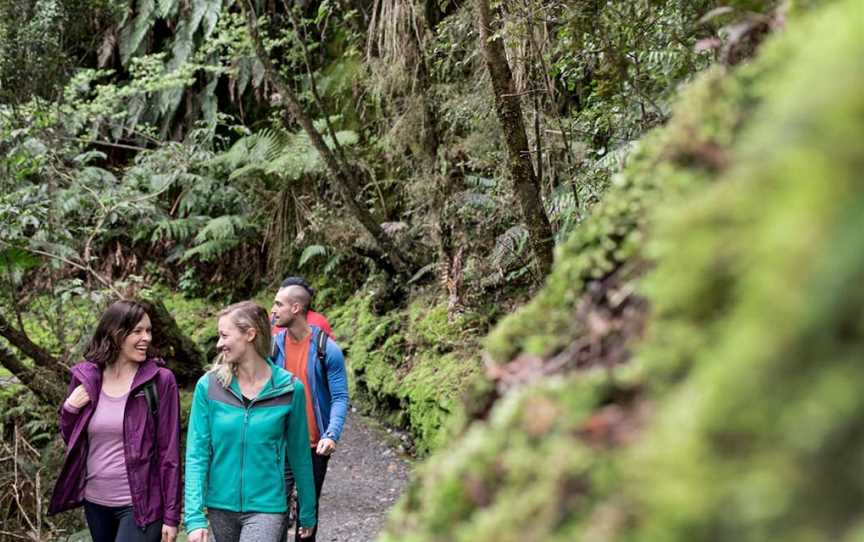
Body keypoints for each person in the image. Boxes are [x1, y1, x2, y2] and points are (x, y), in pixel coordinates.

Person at [48, 300, 181, 542]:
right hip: (95, 502)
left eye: (149, 331)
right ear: (115, 333)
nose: (146, 338)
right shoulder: (87, 378)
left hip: (141, 506)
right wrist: (69, 409)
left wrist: (172, 515)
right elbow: (73, 439)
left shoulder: (160, 380)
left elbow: (169, 453)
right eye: (137, 331)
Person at [185, 301, 317, 542]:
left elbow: (300, 454)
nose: (219, 343)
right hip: (220, 505)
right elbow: (197, 453)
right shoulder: (209, 386)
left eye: (225, 335)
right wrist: (194, 517)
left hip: (267, 506)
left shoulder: (289, 389)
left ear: (250, 334)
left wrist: (308, 509)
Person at [271, 285, 349, 542]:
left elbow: (339, 397)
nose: (273, 310)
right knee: (272, 514)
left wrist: (332, 434)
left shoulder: (327, 349)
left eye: (278, 304)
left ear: (296, 308)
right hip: (279, 445)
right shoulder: (273, 348)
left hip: (314, 446)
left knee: (307, 520)